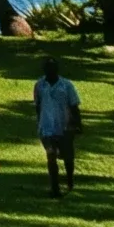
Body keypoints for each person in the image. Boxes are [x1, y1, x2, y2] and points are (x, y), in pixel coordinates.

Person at [34, 57, 82, 196]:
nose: (50, 71)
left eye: (52, 68)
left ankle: (70, 183)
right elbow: (38, 105)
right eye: (47, 68)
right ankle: (55, 188)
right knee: (51, 155)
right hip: (47, 127)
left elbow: (74, 106)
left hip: (65, 126)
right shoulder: (39, 85)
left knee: (68, 157)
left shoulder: (67, 85)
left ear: (57, 70)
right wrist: (40, 122)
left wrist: (77, 124)